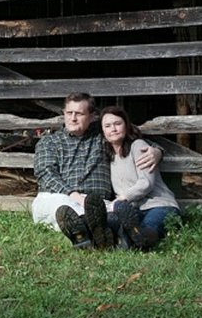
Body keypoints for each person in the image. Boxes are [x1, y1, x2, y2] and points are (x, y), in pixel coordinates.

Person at [31, 93, 161, 249]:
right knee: (62, 208)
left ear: (92, 116)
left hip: (97, 203)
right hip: (59, 196)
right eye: (69, 113)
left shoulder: (104, 135)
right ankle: (90, 229)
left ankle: (87, 234)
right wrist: (74, 196)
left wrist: (157, 151)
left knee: (105, 213)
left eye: (79, 114)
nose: (73, 118)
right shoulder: (49, 142)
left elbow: (135, 139)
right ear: (64, 113)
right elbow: (46, 174)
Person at [99, 105, 181, 250]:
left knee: (149, 226)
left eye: (118, 124)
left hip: (158, 204)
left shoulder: (138, 146)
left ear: (126, 126)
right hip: (132, 209)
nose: (113, 129)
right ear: (103, 131)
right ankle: (122, 238)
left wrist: (121, 199)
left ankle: (142, 240)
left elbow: (146, 183)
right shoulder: (109, 157)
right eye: (108, 126)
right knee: (116, 221)